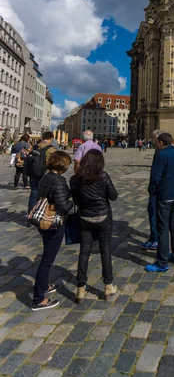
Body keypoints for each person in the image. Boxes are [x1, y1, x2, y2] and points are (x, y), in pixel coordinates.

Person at [70, 149, 118, 304]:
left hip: (84, 218)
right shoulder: (103, 176)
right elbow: (113, 196)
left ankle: (80, 289)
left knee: (84, 252)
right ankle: (108, 286)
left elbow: (76, 201)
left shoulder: (75, 179)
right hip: (103, 217)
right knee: (105, 250)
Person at [31, 151, 73, 310]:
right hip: (53, 223)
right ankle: (38, 298)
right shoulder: (58, 181)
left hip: (43, 222)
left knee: (47, 256)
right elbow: (63, 206)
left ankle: (44, 286)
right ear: (62, 164)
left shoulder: (46, 176)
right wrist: (73, 203)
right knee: (47, 261)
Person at [146, 132, 174, 273]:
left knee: (162, 229)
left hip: (164, 196)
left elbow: (155, 177)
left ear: (160, 142)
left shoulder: (161, 155)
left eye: (156, 142)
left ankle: (162, 262)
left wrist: (152, 191)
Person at [140, 130, 163, 251]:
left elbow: (157, 174)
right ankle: (154, 237)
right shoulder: (160, 151)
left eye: (154, 139)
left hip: (157, 190)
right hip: (162, 189)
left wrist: (152, 188)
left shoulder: (160, 153)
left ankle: (155, 239)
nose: (152, 141)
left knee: (154, 213)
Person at [27, 132, 58, 217]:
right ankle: (42, 216)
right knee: (46, 196)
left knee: (33, 194)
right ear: (51, 138)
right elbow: (56, 162)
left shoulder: (35, 146)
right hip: (46, 174)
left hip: (34, 173)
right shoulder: (52, 149)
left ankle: (31, 216)